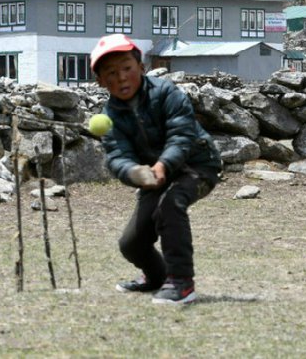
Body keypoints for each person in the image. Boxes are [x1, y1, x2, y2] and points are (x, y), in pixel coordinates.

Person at [91, 34, 222, 305]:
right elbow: (117, 156)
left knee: (170, 205)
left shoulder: (166, 93)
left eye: (127, 68)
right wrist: (134, 173)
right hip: (155, 176)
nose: (121, 77)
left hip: (198, 165)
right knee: (132, 244)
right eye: (111, 73)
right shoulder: (109, 117)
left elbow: (182, 135)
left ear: (141, 67)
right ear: (101, 81)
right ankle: (157, 277)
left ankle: (182, 283)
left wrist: (163, 164)